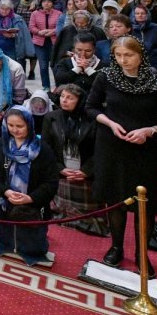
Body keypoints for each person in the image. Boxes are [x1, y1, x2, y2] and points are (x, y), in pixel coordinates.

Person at [86, 35, 157, 271]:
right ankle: (117, 247)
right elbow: (91, 107)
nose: (123, 60)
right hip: (112, 146)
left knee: (145, 205)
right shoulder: (106, 77)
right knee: (116, 200)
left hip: (145, 151)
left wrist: (150, 130)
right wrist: (109, 123)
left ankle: (142, 253)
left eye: (128, 55)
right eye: (118, 56)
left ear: (141, 55)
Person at [0, 106, 59, 266]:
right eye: (11, 126)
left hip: (33, 203)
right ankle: (7, 246)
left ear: (29, 125)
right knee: (5, 230)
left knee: (32, 235)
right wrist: (6, 192)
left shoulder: (42, 149)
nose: (15, 130)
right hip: (5, 199)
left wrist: (31, 198)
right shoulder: (0, 145)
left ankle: (31, 251)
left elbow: (51, 180)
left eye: (20, 126)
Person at [44, 83, 107, 236]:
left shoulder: (93, 120)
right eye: (62, 97)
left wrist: (85, 171)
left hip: (86, 174)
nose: (64, 100)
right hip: (61, 171)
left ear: (80, 101)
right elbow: (46, 147)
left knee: (90, 217)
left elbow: (100, 150)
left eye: (70, 98)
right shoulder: (51, 118)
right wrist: (60, 168)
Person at [53, 33, 103, 98]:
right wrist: (78, 68)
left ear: (94, 50)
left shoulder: (102, 65)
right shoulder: (64, 62)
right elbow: (60, 80)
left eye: (88, 51)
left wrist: (88, 69)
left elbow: (103, 84)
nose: (83, 54)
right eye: (79, 50)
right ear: (73, 49)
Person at [28, 0, 62, 91]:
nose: (46, 3)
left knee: (54, 65)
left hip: (54, 42)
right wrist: (39, 32)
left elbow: (60, 27)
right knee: (43, 66)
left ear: (52, 3)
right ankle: (46, 86)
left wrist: (53, 31)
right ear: (41, 3)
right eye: (44, 2)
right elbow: (31, 26)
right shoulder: (35, 13)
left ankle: (58, 85)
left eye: (49, 2)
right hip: (39, 42)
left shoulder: (58, 13)